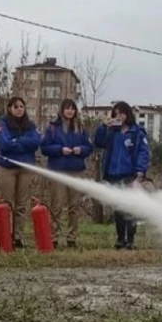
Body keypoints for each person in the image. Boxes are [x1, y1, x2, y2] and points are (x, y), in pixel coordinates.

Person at [94, 101, 151, 249]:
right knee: (118, 208)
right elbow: (98, 143)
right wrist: (104, 126)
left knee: (130, 208)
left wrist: (140, 172)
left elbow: (143, 153)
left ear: (128, 114)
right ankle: (120, 239)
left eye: (122, 113)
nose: (119, 116)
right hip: (113, 174)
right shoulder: (111, 132)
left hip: (129, 175)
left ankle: (130, 239)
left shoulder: (137, 132)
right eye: (116, 113)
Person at [40, 99, 93, 248]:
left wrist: (80, 150)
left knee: (73, 206)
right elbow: (44, 148)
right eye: (67, 108)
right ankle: (54, 237)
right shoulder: (52, 128)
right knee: (56, 205)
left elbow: (89, 147)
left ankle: (72, 237)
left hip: (75, 170)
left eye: (72, 109)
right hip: (58, 170)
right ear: (62, 110)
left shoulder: (80, 128)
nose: (70, 111)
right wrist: (59, 150)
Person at [0, 97, 41, 249]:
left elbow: (35, 142)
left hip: (26, 168)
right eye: (16, 106)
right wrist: (23, 143)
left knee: (22, 205)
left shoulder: (30, 125)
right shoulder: (3, 123)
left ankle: (18, 238)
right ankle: (5, 236)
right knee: (7, 203)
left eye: (22, 106)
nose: (19, 109)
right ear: (9, 108)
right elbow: (4, 143)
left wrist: (17, 141)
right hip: (7, 167)